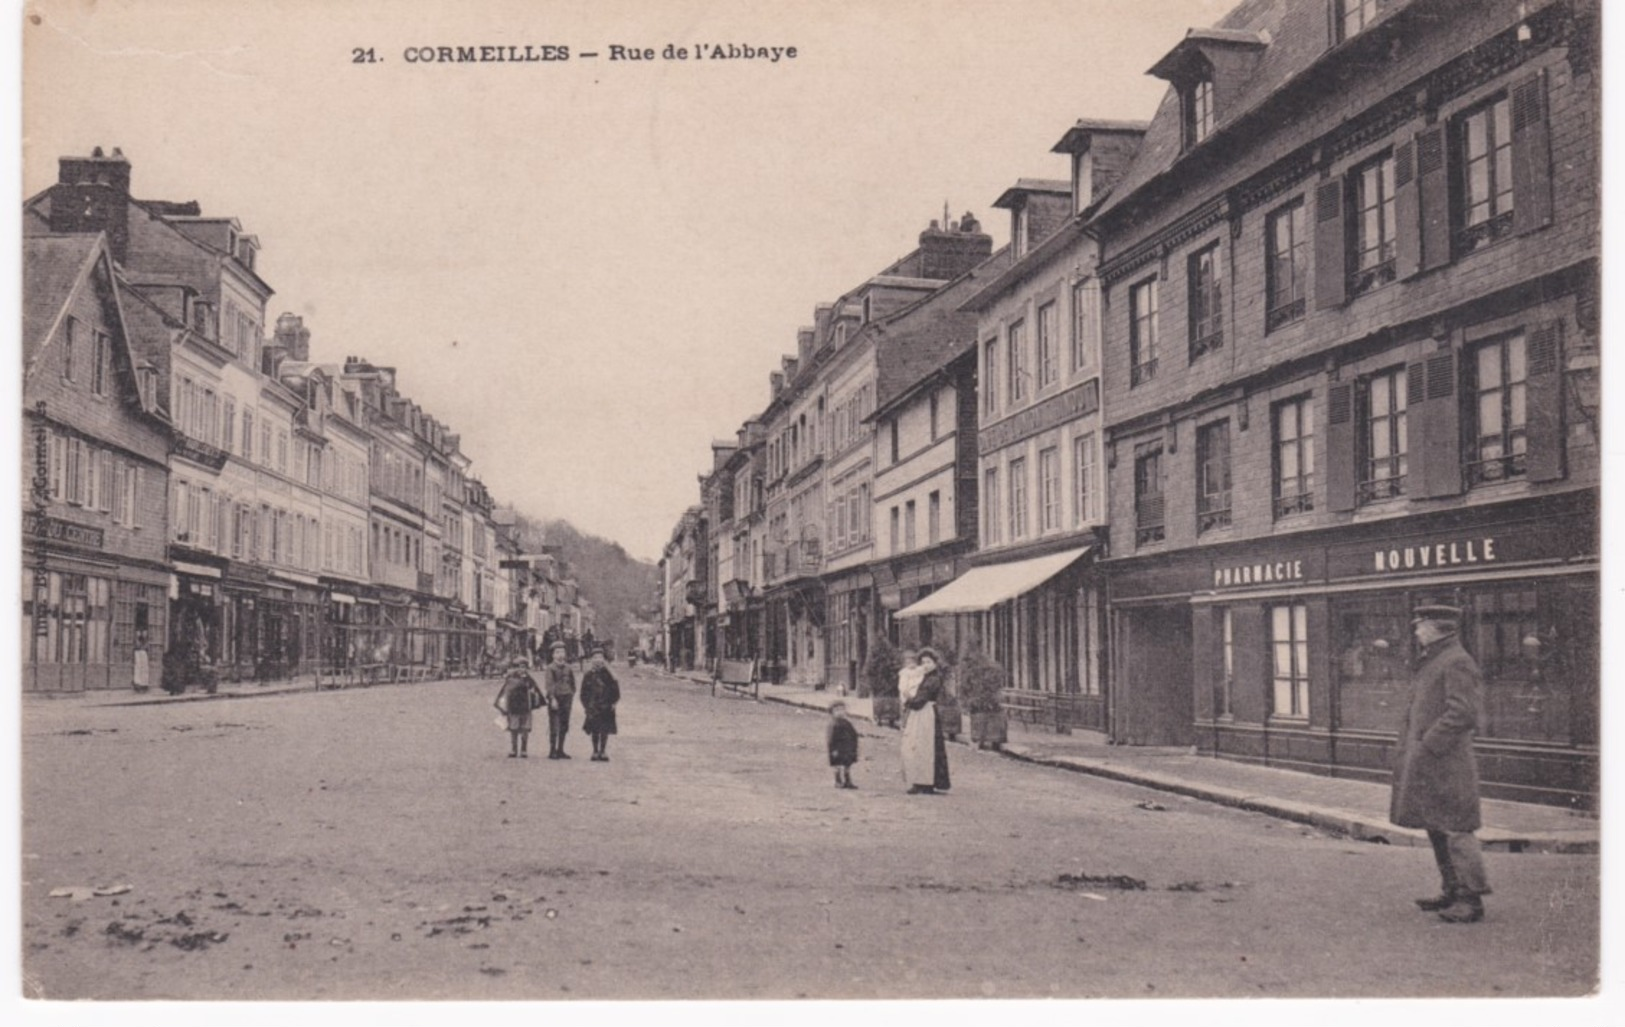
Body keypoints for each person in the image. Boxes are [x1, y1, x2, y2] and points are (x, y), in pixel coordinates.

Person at [1390, 603, 1491, 923]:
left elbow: (1463, 713)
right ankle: (1451, 890)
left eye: (1420, 625)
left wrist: (1427, 745)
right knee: (1436, 825)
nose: (1417, 631)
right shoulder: (1437, 659)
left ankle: (1470, 899)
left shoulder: (1456, 661)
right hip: (1433, 761)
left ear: (1435, 628)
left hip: (1447, 762)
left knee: (1456, 828)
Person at [900, 647, 951, 795]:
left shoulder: (934, 679)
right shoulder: (922, 676)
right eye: (923, 662)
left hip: (927, 713)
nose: (926, 665)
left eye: (929, 662)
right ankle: (918, 780)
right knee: (916, 746)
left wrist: (909, 701)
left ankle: (927, 782)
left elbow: (921, 699)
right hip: (918, 714)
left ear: (935, 663)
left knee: (927, 748)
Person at [493, 658, 544, 759]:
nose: (521, 669)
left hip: (526, 708)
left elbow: (535, 691)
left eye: (524, 667)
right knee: (514, 728)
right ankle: (514, 749)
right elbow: (505, 693)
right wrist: (503, 707)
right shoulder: (511, 679)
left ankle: (524, 749)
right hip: (514, 708)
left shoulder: (529, 680)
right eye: (519, 667)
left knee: (525, 729)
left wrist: (535, 697)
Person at [579, 648, 622, 762]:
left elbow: (615, 689)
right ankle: (595, 750)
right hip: (593, 706)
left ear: (604, 659)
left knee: (604, 729)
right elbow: (583, 692)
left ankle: (603, 751)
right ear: (592, 660)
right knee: (594, 730)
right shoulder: (588, 674)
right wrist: (586, 706)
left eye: (600, 657)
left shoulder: (609, 674)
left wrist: (614, 702)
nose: (598, 660)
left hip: (606, 705)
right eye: (595, 657)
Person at [544, 643, 578, 759]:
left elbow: (573, 683)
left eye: (562, 652)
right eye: (557, 652)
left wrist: (571, 693)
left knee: (564, 724)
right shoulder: (550, 668)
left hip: (566, 698)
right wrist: (552, 698)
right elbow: (549, 685)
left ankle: (561, 750)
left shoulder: (568, 668)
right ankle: (552, 750)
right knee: (554, 724)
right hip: (555, 699)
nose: (560, 655)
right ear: (553, 655)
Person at [826, 701, 859, 789]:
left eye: (842, 709)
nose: (840, 712)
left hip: (847, 748)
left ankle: (848, 781)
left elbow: (853, 733)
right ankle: (838, 781)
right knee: (837, 765)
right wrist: (833, 750)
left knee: (847, 765)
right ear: (832, 713)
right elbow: (831, 739)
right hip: (838, 749)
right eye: (837, 710)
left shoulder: (846, 722)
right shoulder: (833, 724)